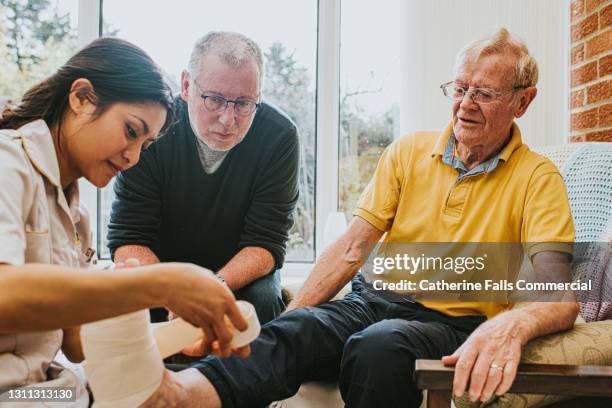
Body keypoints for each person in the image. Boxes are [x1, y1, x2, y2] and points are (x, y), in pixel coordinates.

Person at [141, 28, 580, 408]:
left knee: (380, 346)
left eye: (484, 94)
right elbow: (353, 247)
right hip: (369, 301)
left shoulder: (538, 177)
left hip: (450, 322)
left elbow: (556, 291)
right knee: (295, 328)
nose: (465, 105)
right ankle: (178, 395)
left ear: (523, 102)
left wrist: (513, 325)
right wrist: (290, 321)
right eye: (459, 88)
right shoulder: (408, 152)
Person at [0, 37, 248, 407]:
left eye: (145, 146)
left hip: (45, 390)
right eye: (131, 131)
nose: (133, 158)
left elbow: (75, 341)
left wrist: (180, 334)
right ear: (81, 97)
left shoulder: (75, 216)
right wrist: (157, 283)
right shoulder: (8, 163)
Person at [107, 31, 300, 325]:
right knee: (128, 302)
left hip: (238, 276)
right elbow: (128, 239)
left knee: (261, 301)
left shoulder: (280, 137)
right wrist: (176, 290)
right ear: (186, 86)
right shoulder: (153, 126)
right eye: (214, 99)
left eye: (244, 104)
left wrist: (211, 287)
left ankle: (235, 373)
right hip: (161, 271)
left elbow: (266, 243)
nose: (228, 119)